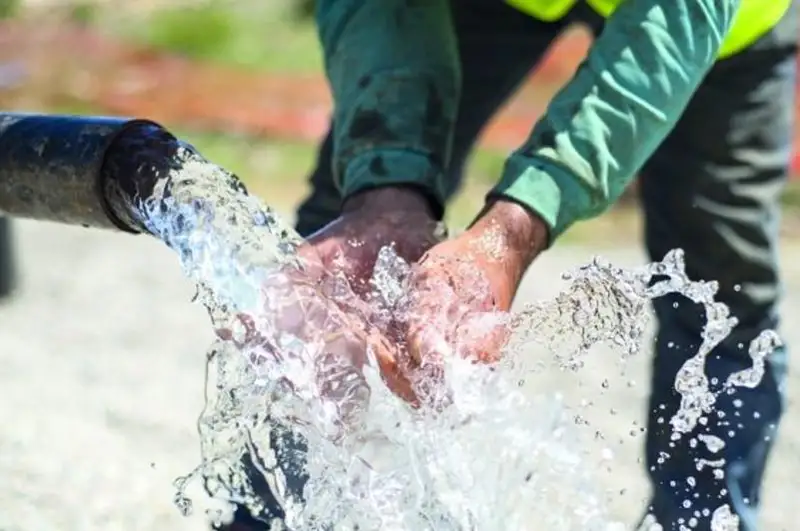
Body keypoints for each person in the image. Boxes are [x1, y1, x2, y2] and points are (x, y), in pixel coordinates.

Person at [217, 0, 797, 529]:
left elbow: (674, 23)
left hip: (721, 25)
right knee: (346, 256)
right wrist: (385, 187)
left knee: (721, 288)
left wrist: (513, 232)